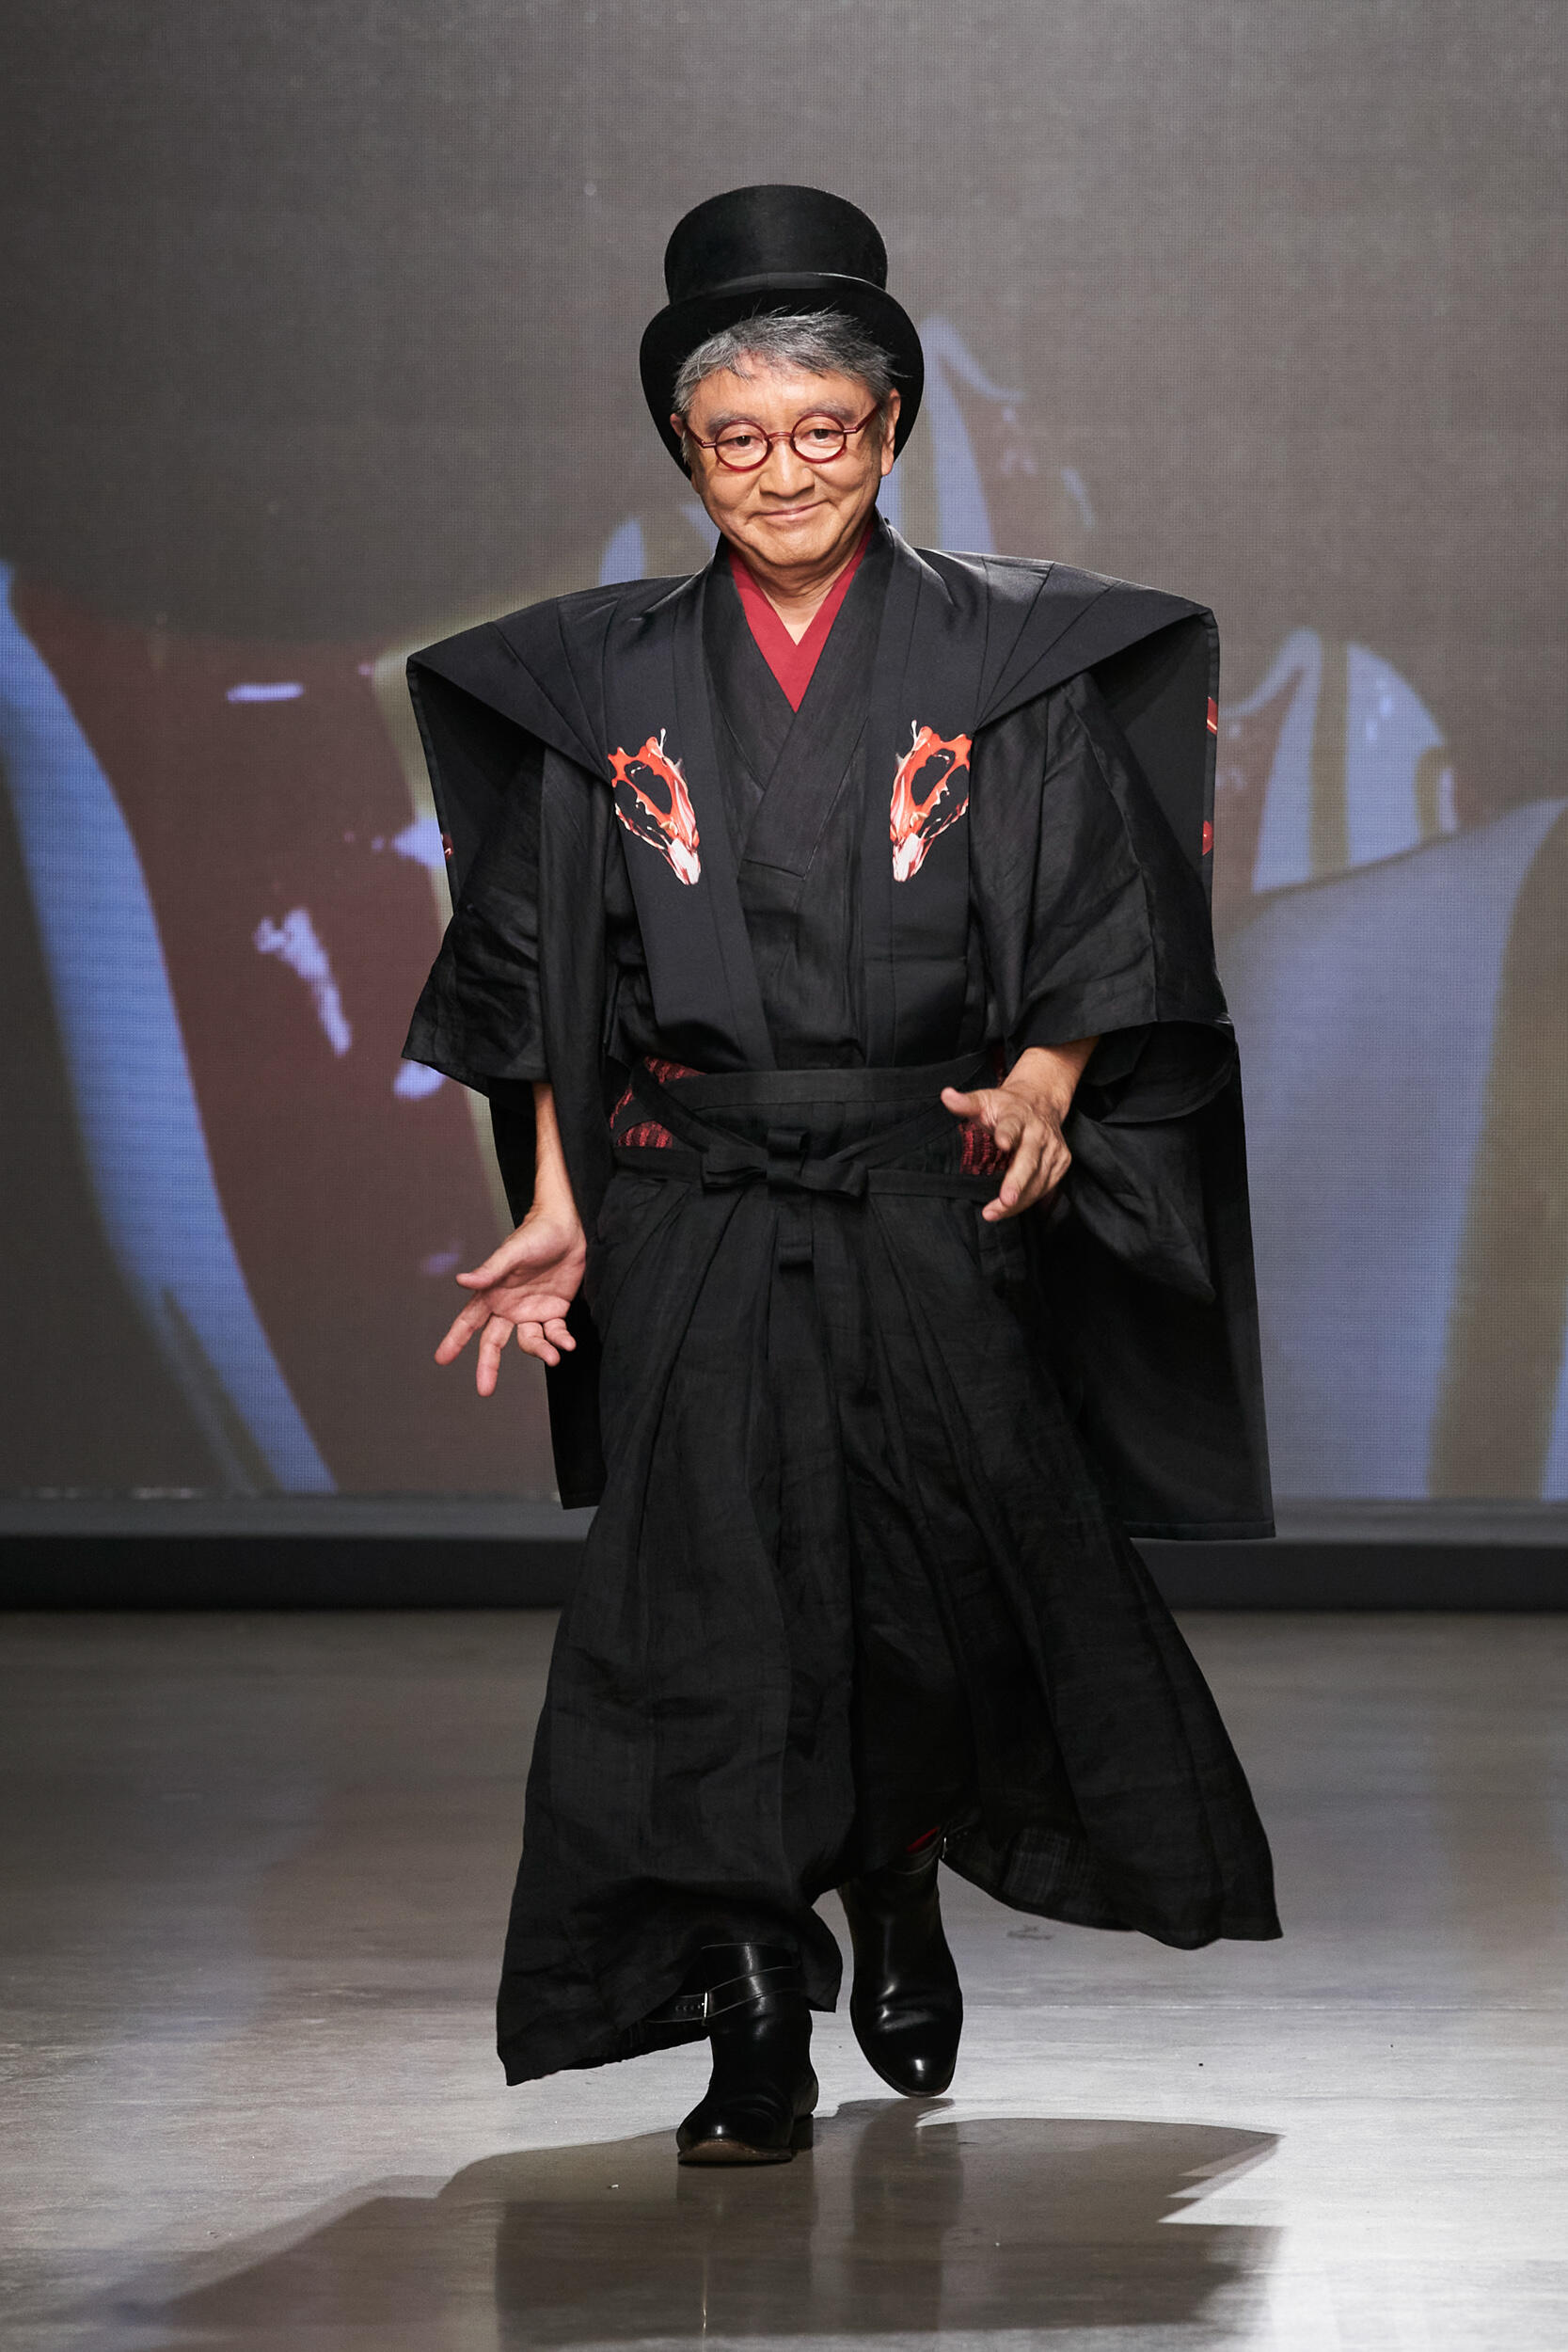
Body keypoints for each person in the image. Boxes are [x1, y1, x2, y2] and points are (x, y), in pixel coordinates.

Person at [404, 183, 1279, 2166]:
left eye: (824, 431)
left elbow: (1099, 909)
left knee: (931, 1590)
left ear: (890, 435)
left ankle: (894, 1874)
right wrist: (553, 1202)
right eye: (739, 441)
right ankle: (748, 2004)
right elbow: (544, 971)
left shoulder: (1001, 658)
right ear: (684, 450)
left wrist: (1044, 1081)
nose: (784, 474)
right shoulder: (606, 682)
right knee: (694, 1612)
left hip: (927, 1186)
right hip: (691, 1198)